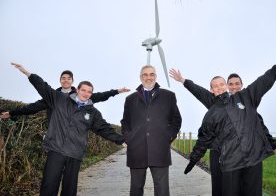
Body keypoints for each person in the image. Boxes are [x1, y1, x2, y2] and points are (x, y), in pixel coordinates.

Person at [182, 52, 276, 196]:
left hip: (252, 158)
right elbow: (204, 138)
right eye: (216, 86)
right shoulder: (212, 110)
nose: (220, 88)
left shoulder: (246, 98)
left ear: (226, 86)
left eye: (222, 84)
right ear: (211, 90)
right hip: (229, 160)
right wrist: (193, 160)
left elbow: (263, 82)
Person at [10, 62, 125, 196]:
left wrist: (121, 140)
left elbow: (104, 129)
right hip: (56, 149)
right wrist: (27, 73)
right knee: (49, 185)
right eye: (83, 90)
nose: (86, 93)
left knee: (69, 190)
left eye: (89, 92)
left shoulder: (93, 112)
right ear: (77, 90)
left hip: (75, 153)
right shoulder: (59, 99)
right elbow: (42, 86)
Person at [121, 65, 182, 196]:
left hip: (160, 150)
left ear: (156, 76)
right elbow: (125, 122)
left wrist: (168, 137)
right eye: (145, 75)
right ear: (140, 77)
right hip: (136, 150)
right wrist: (128, 139)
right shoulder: (130, 99)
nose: (148, 77)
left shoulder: (169, 96)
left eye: (151, 74)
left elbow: (176, 120)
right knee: (136, 189)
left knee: (162, 190)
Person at [0, 70, 130, 120]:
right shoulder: (53, 97)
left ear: (72, 81)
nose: (66, 80)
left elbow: (100, 96)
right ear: (60, 80)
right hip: (56, 135)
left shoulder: (80, 95)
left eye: (69, 78)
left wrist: (117, 91)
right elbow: (32, 108)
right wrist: (11, 113)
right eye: (63, 78)